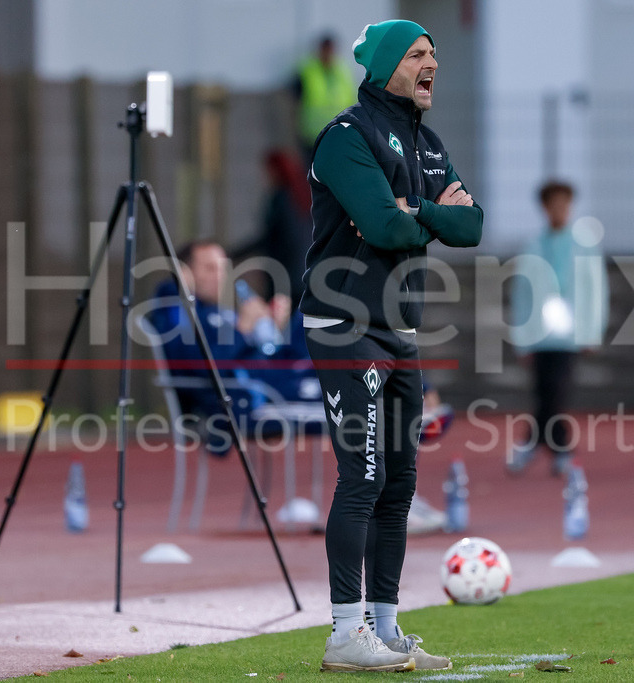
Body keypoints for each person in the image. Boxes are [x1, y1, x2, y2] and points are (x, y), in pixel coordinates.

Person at [299, 20, 482, 672]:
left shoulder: (425, 142)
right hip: (345, 325)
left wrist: (420, 210)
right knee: (363, 476)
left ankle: (386, 627)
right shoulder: (346, 138)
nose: (432, 62)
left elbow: (470, 223)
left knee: (399, 482)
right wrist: (419, 211)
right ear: (383, 68)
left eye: (433, 53)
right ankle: (344, 633)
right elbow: (380, 223)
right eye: (416, 54)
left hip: (399, 328)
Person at [151, 240, 316, 455]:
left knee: (311, 317)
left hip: (270, 387)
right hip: (242, 403)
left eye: (223, 268)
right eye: (210, 268)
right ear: (185, 274)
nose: (220, 276)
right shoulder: (176, 310)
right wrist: (243, 329)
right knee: (344, 409)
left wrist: (272, 330)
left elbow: (260, 357)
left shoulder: (217, 312)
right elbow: (202, 365)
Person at [507, 181, 609, 483]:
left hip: (570, 334)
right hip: (540, 333)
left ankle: (534, 444)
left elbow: (596, 290)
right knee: (544, 391)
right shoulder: (533, 246)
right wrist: (521, 339)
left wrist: (592, 332)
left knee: (556, 391)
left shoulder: (585, 244)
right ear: (544, 208)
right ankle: (559, 448)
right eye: (553, 205)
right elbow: (521, 295)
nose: (559, 211)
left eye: (564, 204)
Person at [233, 149, 313, 309]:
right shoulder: (300, 196)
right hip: (302, 271)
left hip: (285, 274)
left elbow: (271, 237)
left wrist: (235, 253)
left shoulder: (281, 199)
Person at [292, 33, 356, 159]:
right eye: (325, 50)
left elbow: (352, 100)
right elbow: (295, 102)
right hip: (313, 135)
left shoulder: (343, 71)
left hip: (340, 133)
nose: (328, 54)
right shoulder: (307, 71)